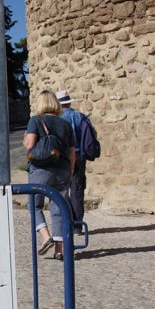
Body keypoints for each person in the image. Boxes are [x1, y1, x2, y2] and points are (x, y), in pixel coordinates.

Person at [23, 90, 77, 260]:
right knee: (59, 206)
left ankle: (46, 236)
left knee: (34, 204)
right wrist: (71, 170)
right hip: (63, 169)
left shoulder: (35, 120)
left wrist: (26, 138)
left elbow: (29, 144)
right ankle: (60, 250)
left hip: (41, 170)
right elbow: (72, 151)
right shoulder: (65, 124)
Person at [56, 90, 92, 234]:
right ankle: (77, 226)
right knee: (77, 191)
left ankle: (67, 222)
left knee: (61, 190)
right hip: (79, 157)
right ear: (69, 102)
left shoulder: (56, 120)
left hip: (62, 159)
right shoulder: (80, 117)